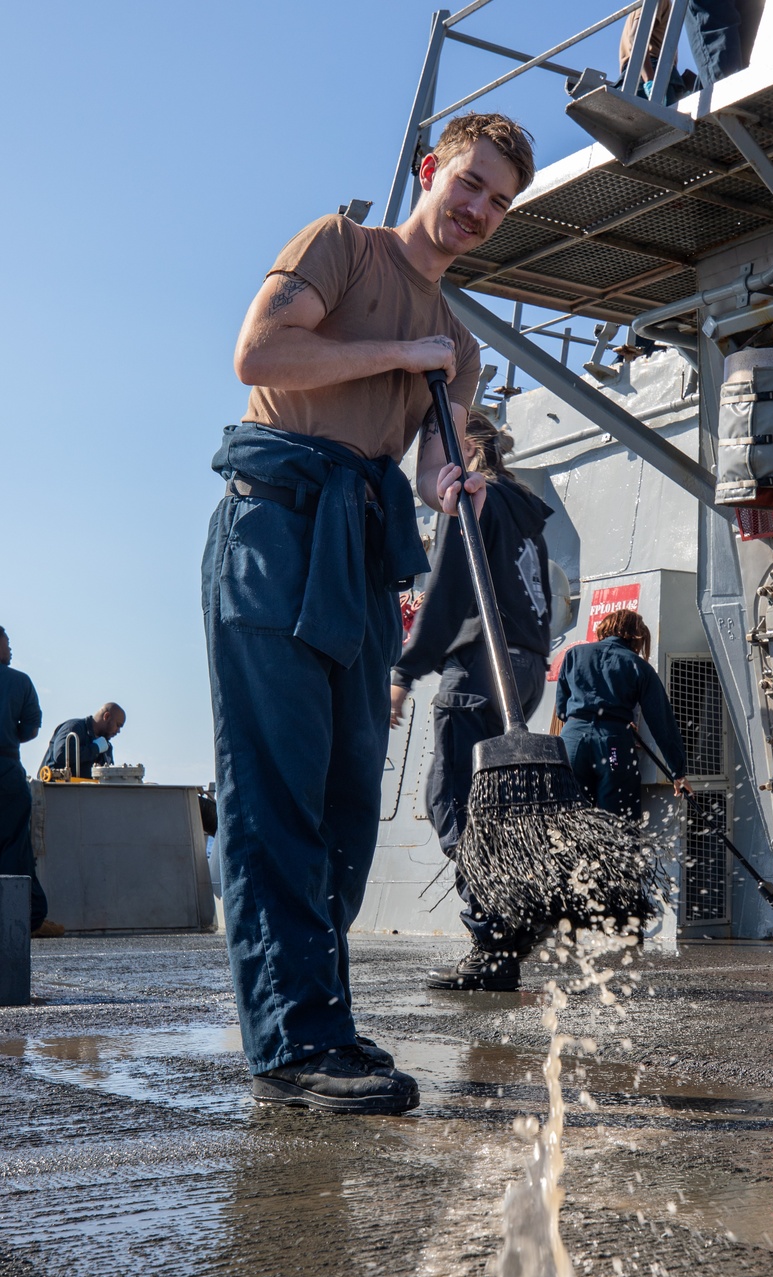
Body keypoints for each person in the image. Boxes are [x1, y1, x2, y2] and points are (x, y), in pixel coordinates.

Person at [203, 111, 535, 1115]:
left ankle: (321, 1016)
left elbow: (431, 464)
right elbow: (259, 357)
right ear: (431, 171)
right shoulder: (339, 247)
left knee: (347, 797)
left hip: (358, 549)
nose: (477, 208)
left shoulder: (460, 352)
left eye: (499, 200)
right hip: (273, 531)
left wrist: (454, 486)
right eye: (469, 182)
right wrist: (403, 350)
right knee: (276, 795)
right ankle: (292, 1042)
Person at [389, 412, 552, 993]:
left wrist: (404, 671)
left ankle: (495, 937)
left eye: (430, 439)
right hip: (524, 664)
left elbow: (450, 586)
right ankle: (510, 921)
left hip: (481, 666)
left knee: (453, 802)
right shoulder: (524, 506)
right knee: (497, 807)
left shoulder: (475, 499)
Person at [556, 609, 690, 821]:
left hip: (572, 743)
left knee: (570, 821)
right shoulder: (638, 666)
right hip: (613, 745)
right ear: (637, 635)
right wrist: (678, 771)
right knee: (619, 825)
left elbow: (562, 709)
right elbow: (661, 721)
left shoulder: (574, 655)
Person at [0, 626, 61, 937]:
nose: (10, 651)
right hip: (7, 769)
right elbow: (31, 730)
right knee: (14, 846)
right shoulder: (19, 681)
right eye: (7, 644)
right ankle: (21, 918)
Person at [618, 0, 751, 97]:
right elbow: (636, 37)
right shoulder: (658, 2)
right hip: (648, 71)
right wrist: (650, 82)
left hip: (650, 71)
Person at [41, 703, 126, 779]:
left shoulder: (106, 745)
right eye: (118, 725)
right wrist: (95, 748)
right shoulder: (74, 728)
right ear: (106, 716)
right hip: (55, 790)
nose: (118, 731)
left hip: (87, 793)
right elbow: (61, 755)